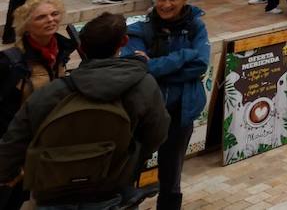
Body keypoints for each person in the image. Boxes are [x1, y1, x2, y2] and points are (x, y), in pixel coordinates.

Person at [0, 12, 168, 210]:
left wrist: (7, 176)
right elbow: (157, 134)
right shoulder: (143, 86)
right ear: (124, 41)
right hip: (111, 189)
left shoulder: (51, 92)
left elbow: (13, 142)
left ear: (80, 47)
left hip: (53, 192)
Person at [124, 0, 209, 210]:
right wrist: (184, 56)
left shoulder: (196, 26)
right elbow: (137, 69)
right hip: (144, 113)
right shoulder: (140, 29)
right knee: (129, 171)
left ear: (185, 1)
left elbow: (201, 64)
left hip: (180, 113)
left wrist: (155, 67)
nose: (166, 4)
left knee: (171, 175)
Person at [0, 0, 76, 142]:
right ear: (26, 25)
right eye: (41, 17)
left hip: (48, 127)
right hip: (18, 136)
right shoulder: (10, 61)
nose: (50, 20)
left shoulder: (62, 49)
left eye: (54, 14)